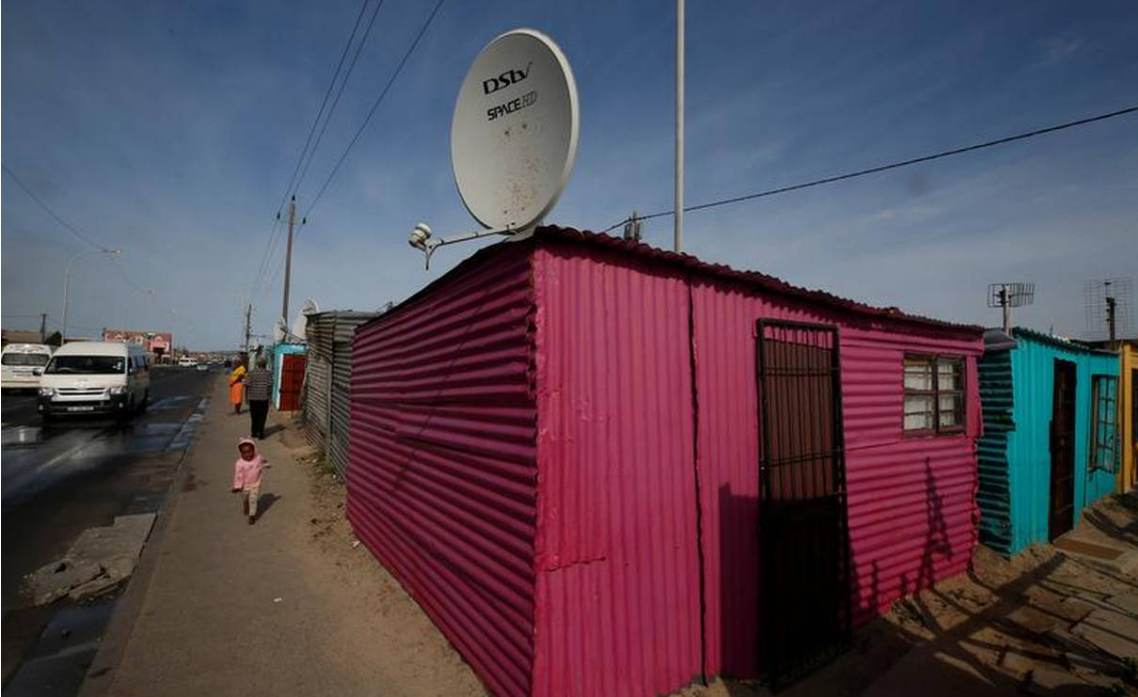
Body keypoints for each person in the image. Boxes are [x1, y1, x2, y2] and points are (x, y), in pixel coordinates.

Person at [232, 437, 270, 525]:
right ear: (240, 453)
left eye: (249, 451)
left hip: (255, 484)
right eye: (244, 452)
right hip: (244, 486)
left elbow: (262, 461)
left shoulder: (257, 458)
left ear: (254, 450)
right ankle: (246, 506)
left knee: (253, 500)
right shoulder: (239, 463)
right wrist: (237, 487)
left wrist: (267, 465)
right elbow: (238, 475)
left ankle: (252, 515)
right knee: (245, 499)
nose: (247, 454)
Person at [245, 356, 272, 439]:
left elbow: (247, 385)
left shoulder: (251, 373)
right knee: (262, 416)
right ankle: (261, 433)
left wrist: (246, 397)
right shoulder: (268, 373)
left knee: (254, 416)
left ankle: (254, 432)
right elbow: (269, 386)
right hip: (264, 398)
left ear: (257, 364)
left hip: (253, 397)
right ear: (265, 364)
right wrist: (270, 398)